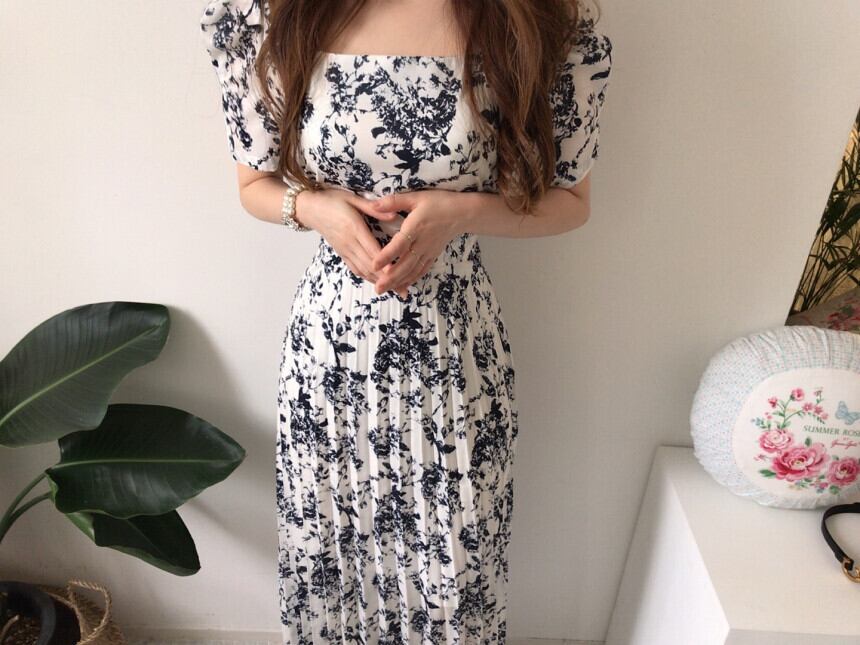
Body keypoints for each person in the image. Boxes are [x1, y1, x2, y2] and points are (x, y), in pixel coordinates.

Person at [200, 0, 612, 642]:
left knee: (453, 573)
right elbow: (254, 185)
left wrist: (460, 212)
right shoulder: (271, 12)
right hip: (330, 357)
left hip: (456, 352)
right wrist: (317, 211)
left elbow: (571, 200)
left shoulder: (536, 17)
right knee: (332, 561)